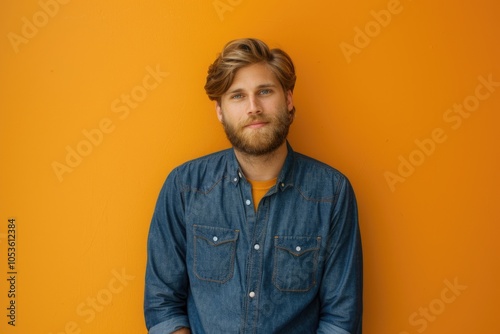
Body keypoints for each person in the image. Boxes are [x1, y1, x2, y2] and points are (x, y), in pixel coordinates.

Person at [144, 38, 363, 334]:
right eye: (237, 96)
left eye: (264, 91)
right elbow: (163, 306)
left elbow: (341, 319)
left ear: (287, 99)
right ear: (220, 111)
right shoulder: (184, 188)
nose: (253, 108)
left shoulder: (332, 193)